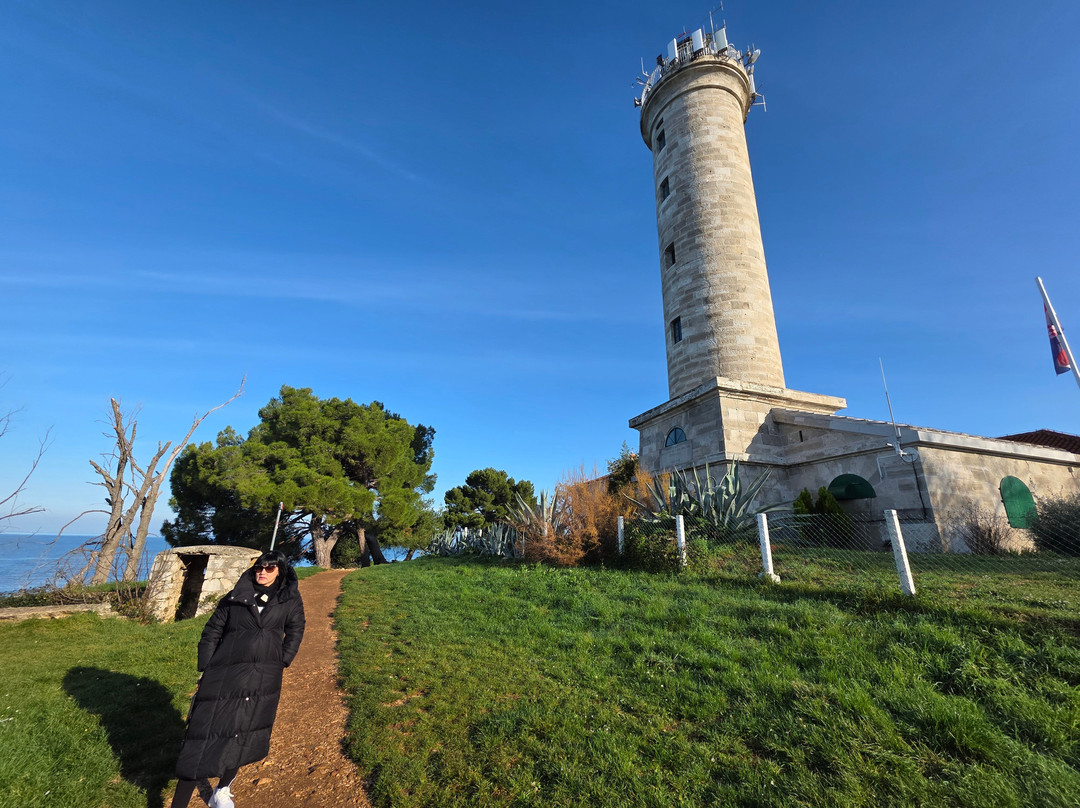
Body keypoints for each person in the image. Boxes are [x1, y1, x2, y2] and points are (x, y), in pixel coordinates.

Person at [170, 549, 306, 808]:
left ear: (280, 572)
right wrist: (206, 665)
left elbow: (297, 628)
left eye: (269, 568)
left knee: (243, 733)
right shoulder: (235, 596)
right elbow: (212, 630)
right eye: (259, 567)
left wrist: (283, 659)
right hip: (224, 674)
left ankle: (221, 789)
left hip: (263, 677)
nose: (262, 572)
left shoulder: (289, 599)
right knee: (202, 738)